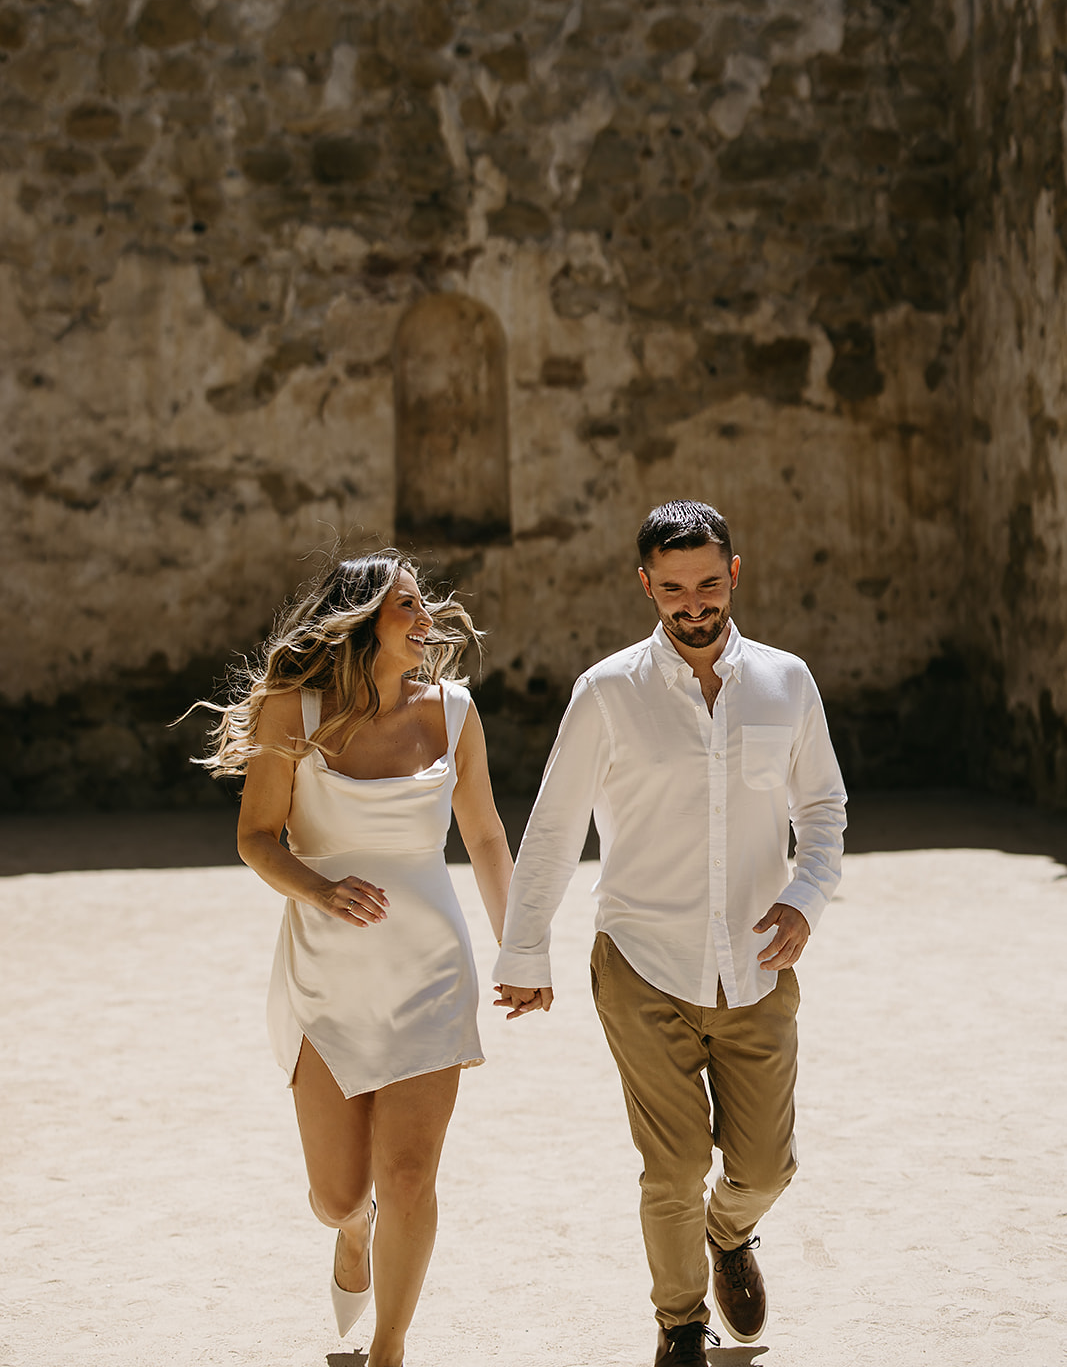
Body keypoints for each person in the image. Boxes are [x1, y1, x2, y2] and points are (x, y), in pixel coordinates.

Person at [494, 500, 846, 1365]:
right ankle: (679, 1321)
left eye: (707, 581)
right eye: (672, 587)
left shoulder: (785, 682)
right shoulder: (607, 691)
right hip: (641, 962)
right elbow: (552, 826)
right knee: (670, 1166)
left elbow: (823, 808)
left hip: (758, 964)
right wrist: (524, 950)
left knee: (766, 1168)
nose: (693, 603)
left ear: (735, 571)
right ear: (645, 585)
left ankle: (729, 1234)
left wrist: (805, 894)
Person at [195, 551, 512, 1367]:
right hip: (327, 974)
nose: (427, 614)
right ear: (363, 619)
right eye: (406, 604)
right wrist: (322, 890)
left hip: (431, 972)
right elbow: (256, 840)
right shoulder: (288, 712)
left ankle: (389, 1350)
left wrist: (524, 948)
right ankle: (351, 1232)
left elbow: (481, 837)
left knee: (409, 1175)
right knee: (339, 1193)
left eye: (423, 600)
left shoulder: (455, 712)